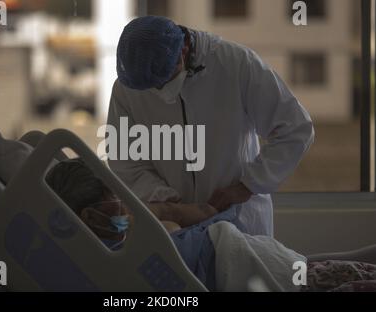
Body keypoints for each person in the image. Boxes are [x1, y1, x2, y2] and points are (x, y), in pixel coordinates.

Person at [107, 16, 315, 236]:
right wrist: (170, 204)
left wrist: (247, 185)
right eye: (152, 86)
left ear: (184, 49)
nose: (161, 90)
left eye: (166, 77)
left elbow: (294, 129)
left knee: (240, 265)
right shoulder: (128, 86)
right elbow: (125, 159)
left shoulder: (236, 64)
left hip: (240, 219)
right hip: (172, 226)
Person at [46, 158, 376, 292]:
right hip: (249, 266)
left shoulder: (121, 237)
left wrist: (166, 212)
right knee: (348, 275)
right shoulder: (108, 262)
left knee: (342, 267)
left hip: (249, 255)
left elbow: (179, 223)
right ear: (87, 216)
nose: (124, 203)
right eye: (114, 196)